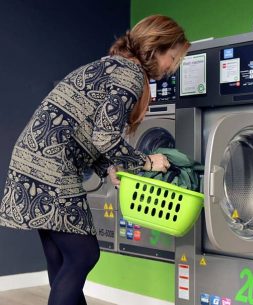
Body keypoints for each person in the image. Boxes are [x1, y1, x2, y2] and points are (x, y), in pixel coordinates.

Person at [0, 15, 190, 305]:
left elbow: (90, 130)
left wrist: (111, 166)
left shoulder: (112, 65)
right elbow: (105, 137)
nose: (171, 68)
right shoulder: (129, 75)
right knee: (83, 254)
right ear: (156, 47)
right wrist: (147, 161)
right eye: (173, 58)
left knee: (62, 259)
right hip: (53, 166)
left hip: (32, 157)